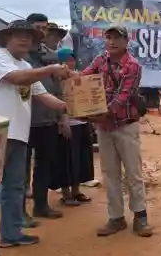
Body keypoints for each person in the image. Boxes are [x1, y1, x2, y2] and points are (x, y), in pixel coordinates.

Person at [0, 20, 72, 256]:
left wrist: (77, 105)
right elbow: (16, 78)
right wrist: (50, 70)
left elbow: (44, 97)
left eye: (29, 36)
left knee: (14, 187)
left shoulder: (26, 65)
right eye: (18, 35)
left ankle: (11, 233)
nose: (24, 40)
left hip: (18, 134)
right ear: (7, 38)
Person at [78, 24, 151, 237]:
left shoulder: (132, 65)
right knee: (110, 174)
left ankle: (141, 216)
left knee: (133, 173)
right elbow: (84, 77)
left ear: (126, 41)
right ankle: (116, 218)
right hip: (103, 126)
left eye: (117, 38)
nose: (112, 42)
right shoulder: (100, 60)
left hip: (125, 124)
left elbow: (124, 96)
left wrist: (100, 113)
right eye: (108, 38)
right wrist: (69, 77)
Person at [26, 22, 69, 219]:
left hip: (48, 119)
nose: (42, 32)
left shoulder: (50, 55)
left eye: (45, 29)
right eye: (38, 27)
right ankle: (19, 213)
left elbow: (58, 85)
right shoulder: (19, 54)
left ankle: (41, 205)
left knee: (44, 165)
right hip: (24, 121)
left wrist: (63, 116)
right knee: (20, 167)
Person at [55, 47, 94, 206]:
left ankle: (77, 191)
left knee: (81, 158)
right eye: (67, 60)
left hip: (82, 122)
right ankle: (66, 193)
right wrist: (61, 120)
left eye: (72, 59)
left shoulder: (80, 76)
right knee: (66, 158)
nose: (71, 63)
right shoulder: (56, 79)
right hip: (67, 123)